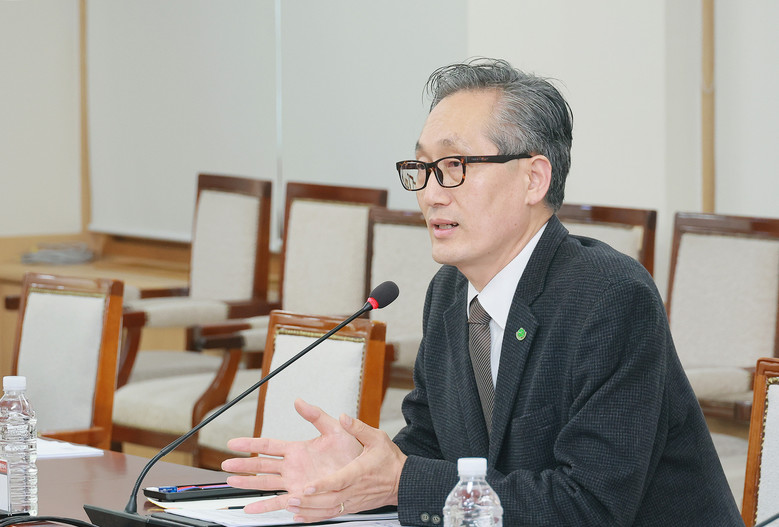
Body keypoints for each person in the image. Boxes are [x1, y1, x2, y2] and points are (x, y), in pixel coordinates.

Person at [222, 58, 743, 526]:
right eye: (422, 168)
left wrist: (401, 482)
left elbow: (590, 506)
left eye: (455, 166)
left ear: (533, 179)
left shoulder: (611, 299)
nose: (430, 194)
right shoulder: (449, 292)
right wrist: (359, 467)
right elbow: (430, 445)